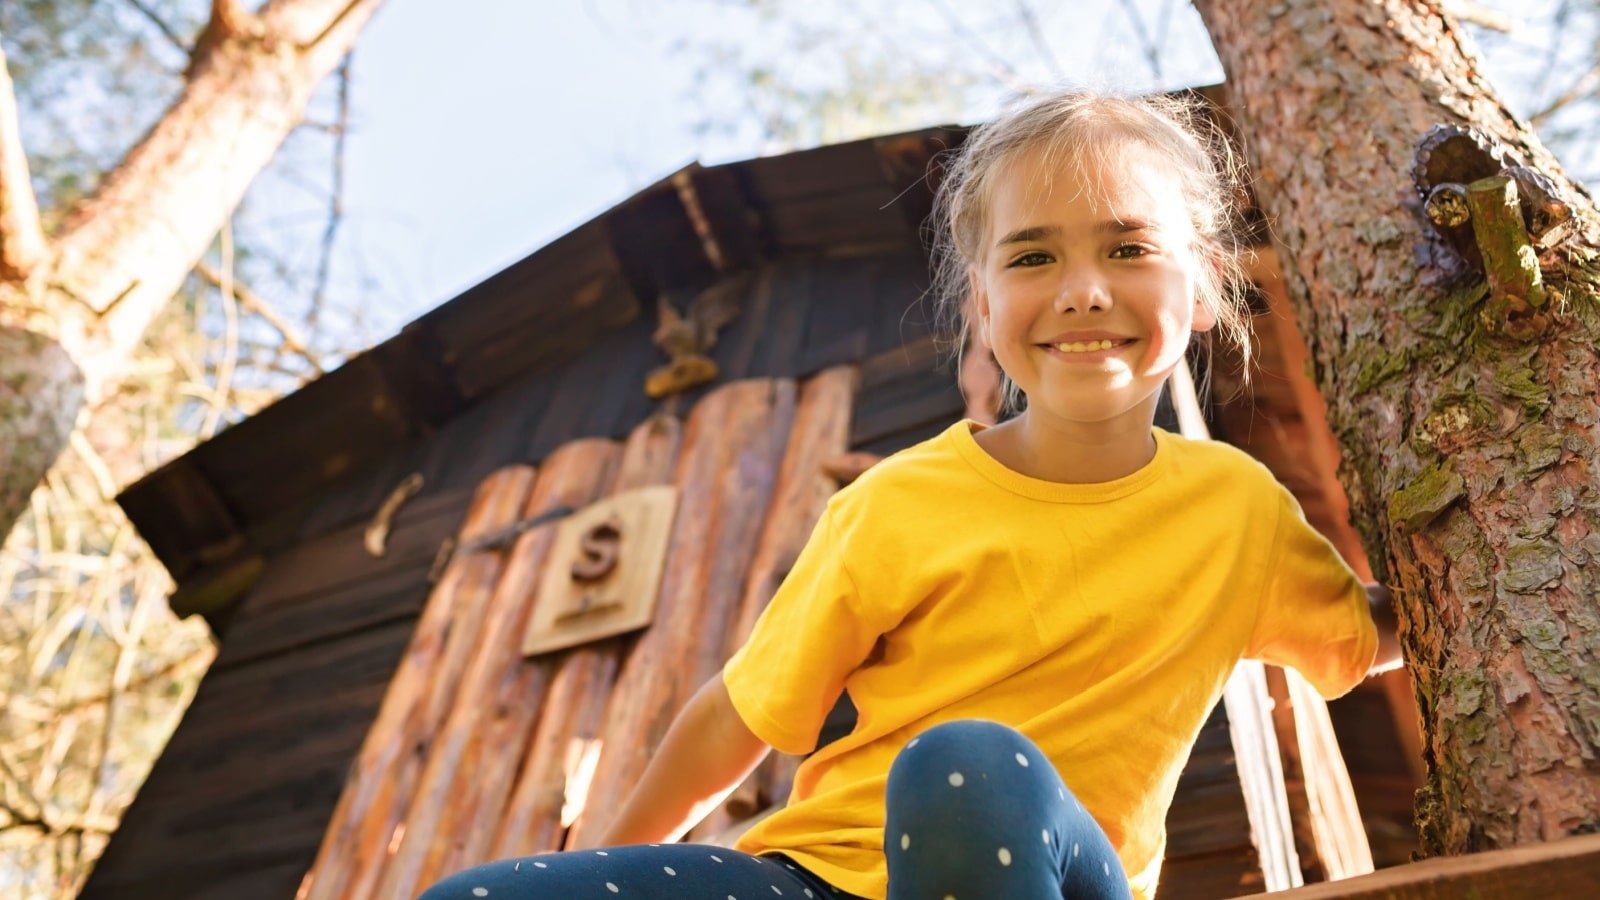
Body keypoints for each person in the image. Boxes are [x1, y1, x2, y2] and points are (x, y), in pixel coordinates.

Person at [420, 88, 1402, 900]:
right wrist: (602, 864)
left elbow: (1371, 639)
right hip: (812, 879)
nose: (1083, 289)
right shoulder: (901, 504)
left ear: (1197, 288)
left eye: (1127, 248)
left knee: (965, 766)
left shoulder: (1238, 511)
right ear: (983, 304)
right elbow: (738, 714)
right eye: (1031, 257)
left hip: (1047, 876)